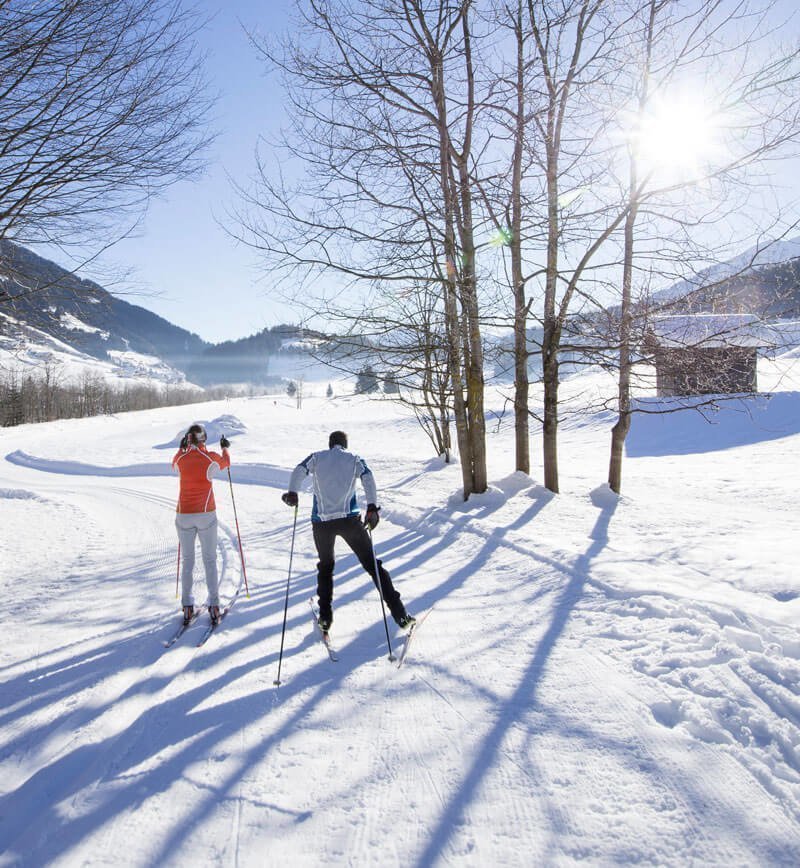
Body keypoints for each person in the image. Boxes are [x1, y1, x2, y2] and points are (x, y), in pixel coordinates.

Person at [282, 430, 414, 633]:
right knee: (373, 566)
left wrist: (292, 492)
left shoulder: (317, 457)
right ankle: (400, 615)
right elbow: (368, 478)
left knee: (326, 567)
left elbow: (299, 470)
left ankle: (325, 618)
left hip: (322, 523)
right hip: (349, 521)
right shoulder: (354, 459)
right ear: (345, 445)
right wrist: (372, 507)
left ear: (329, 444)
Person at [172, 423, 231, 624]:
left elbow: (174, 463)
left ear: (188, 439)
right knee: (209, 560)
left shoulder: (180, 458)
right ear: (203, 439)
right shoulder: (209, 458)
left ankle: (187, 607)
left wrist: (182, 449)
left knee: (188, 561)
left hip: (183, 515)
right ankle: (214, 606)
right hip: (206, 514)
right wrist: (224, 447)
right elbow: (226, 463)